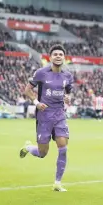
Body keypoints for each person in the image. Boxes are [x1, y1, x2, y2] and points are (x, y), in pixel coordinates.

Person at [19, 44, 74, 192]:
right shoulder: (41, 73)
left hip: (60, 115)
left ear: (64, 57)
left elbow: (68, 91)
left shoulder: (68, 75)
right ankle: (29, 147)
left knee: (63, 148)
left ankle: (57, 182)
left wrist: (68, 98)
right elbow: (27, 89)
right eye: (55, 54)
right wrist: (36, 103)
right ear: (50, 57)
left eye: (60, 54)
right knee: (43, 153)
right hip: (44, 116)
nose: (58, 56)